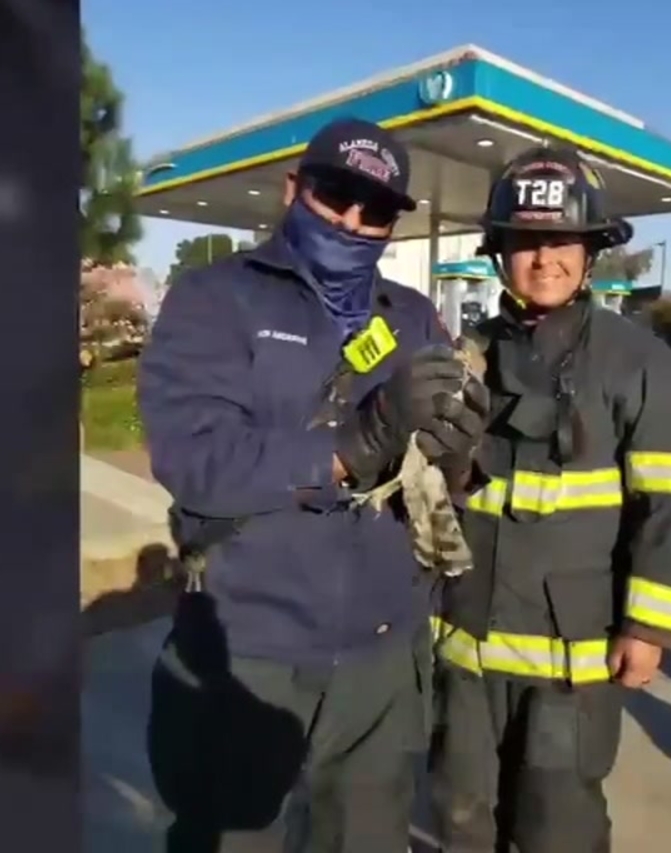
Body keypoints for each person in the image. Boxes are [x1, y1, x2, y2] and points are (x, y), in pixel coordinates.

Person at [138, 116, 489, 852]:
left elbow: (438, 476)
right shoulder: (214, 298)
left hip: (383, 659)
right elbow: (196, 461)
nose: (353, 221)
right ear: (295, 188)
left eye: (378, 212)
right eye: (336, 195)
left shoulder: (414, 316)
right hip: (250, 650)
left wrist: (457, 455)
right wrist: (354, 443)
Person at [428, 146, 671, 852]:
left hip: (570, 662)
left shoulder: (636, 360)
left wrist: (647, 629)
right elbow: (429, 492)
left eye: (562, 241)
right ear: (500, 254)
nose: (545, 257)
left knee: (558, 826)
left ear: (590, 253)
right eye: (527, 242)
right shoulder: (470, 353)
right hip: (464, 651)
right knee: (462, 817)